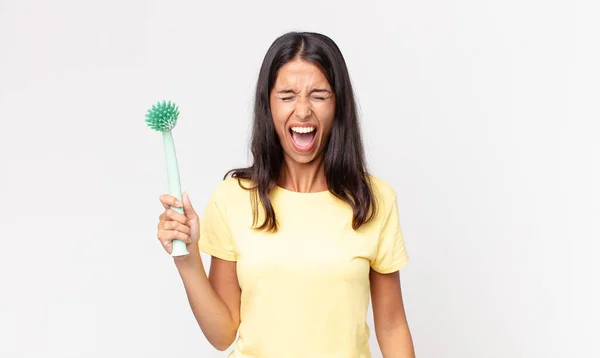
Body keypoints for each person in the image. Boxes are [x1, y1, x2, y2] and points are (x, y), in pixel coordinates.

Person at [156, 31, 415, 357]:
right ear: (268, 104)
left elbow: (392, 326)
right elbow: (223, 335)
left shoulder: (374, 200)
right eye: (287, 95)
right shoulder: (233, 198)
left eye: (319, 95)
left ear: (338, 105)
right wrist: (188, 259)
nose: (303, 111)